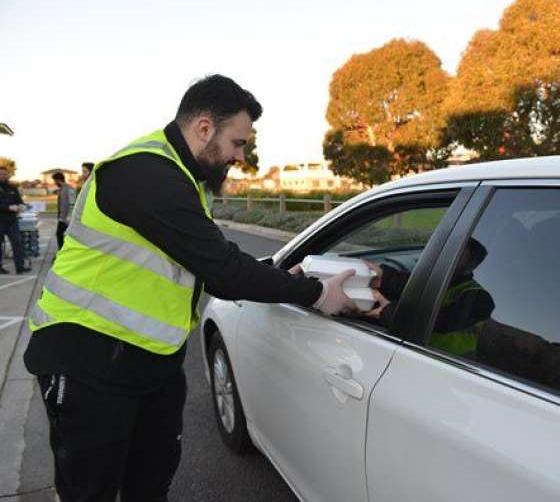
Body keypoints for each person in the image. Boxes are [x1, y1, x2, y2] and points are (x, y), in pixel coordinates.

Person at [23, 74, 357, 502]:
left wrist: (278, 277)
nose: (240, 155)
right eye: (237, 143)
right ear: (204, 128)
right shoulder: (144, 173)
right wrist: (315, 293)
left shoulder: (183, 178)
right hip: (87, 358)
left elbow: (208, 254)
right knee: (92, 490)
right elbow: (221, 269)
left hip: (149, 359)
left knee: (151, 482)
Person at [366, 237, 494, 358]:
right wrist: (383, 277)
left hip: (451, 364)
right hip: (420, 352)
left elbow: (435, 322)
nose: (445, 256)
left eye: (457, 254)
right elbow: (411, 286)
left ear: (471, 265)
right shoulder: (439, 280)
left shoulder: (480, 299)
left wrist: (386, 311)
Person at [0, 165, 29, 274]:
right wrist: (7, 207)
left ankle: (20, 266)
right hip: (0, 221)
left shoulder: (12, 188)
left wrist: (22, 206)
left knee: (17, 243)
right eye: (0, 174)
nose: (2, 176)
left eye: (4, 174)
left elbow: (19, 200)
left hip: (12, 221)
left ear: (8, 175)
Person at [52, 171, 76, 249]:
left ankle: (63, 252)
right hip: (62, 218)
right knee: (60, 235)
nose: (54, 183)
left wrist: (69, 217)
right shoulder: (61, 189)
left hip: (67, 219)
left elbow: (72, 203)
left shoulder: (69, 189)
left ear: (58, 180)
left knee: (62, 235)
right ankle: (62, 252)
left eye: (55, 181)